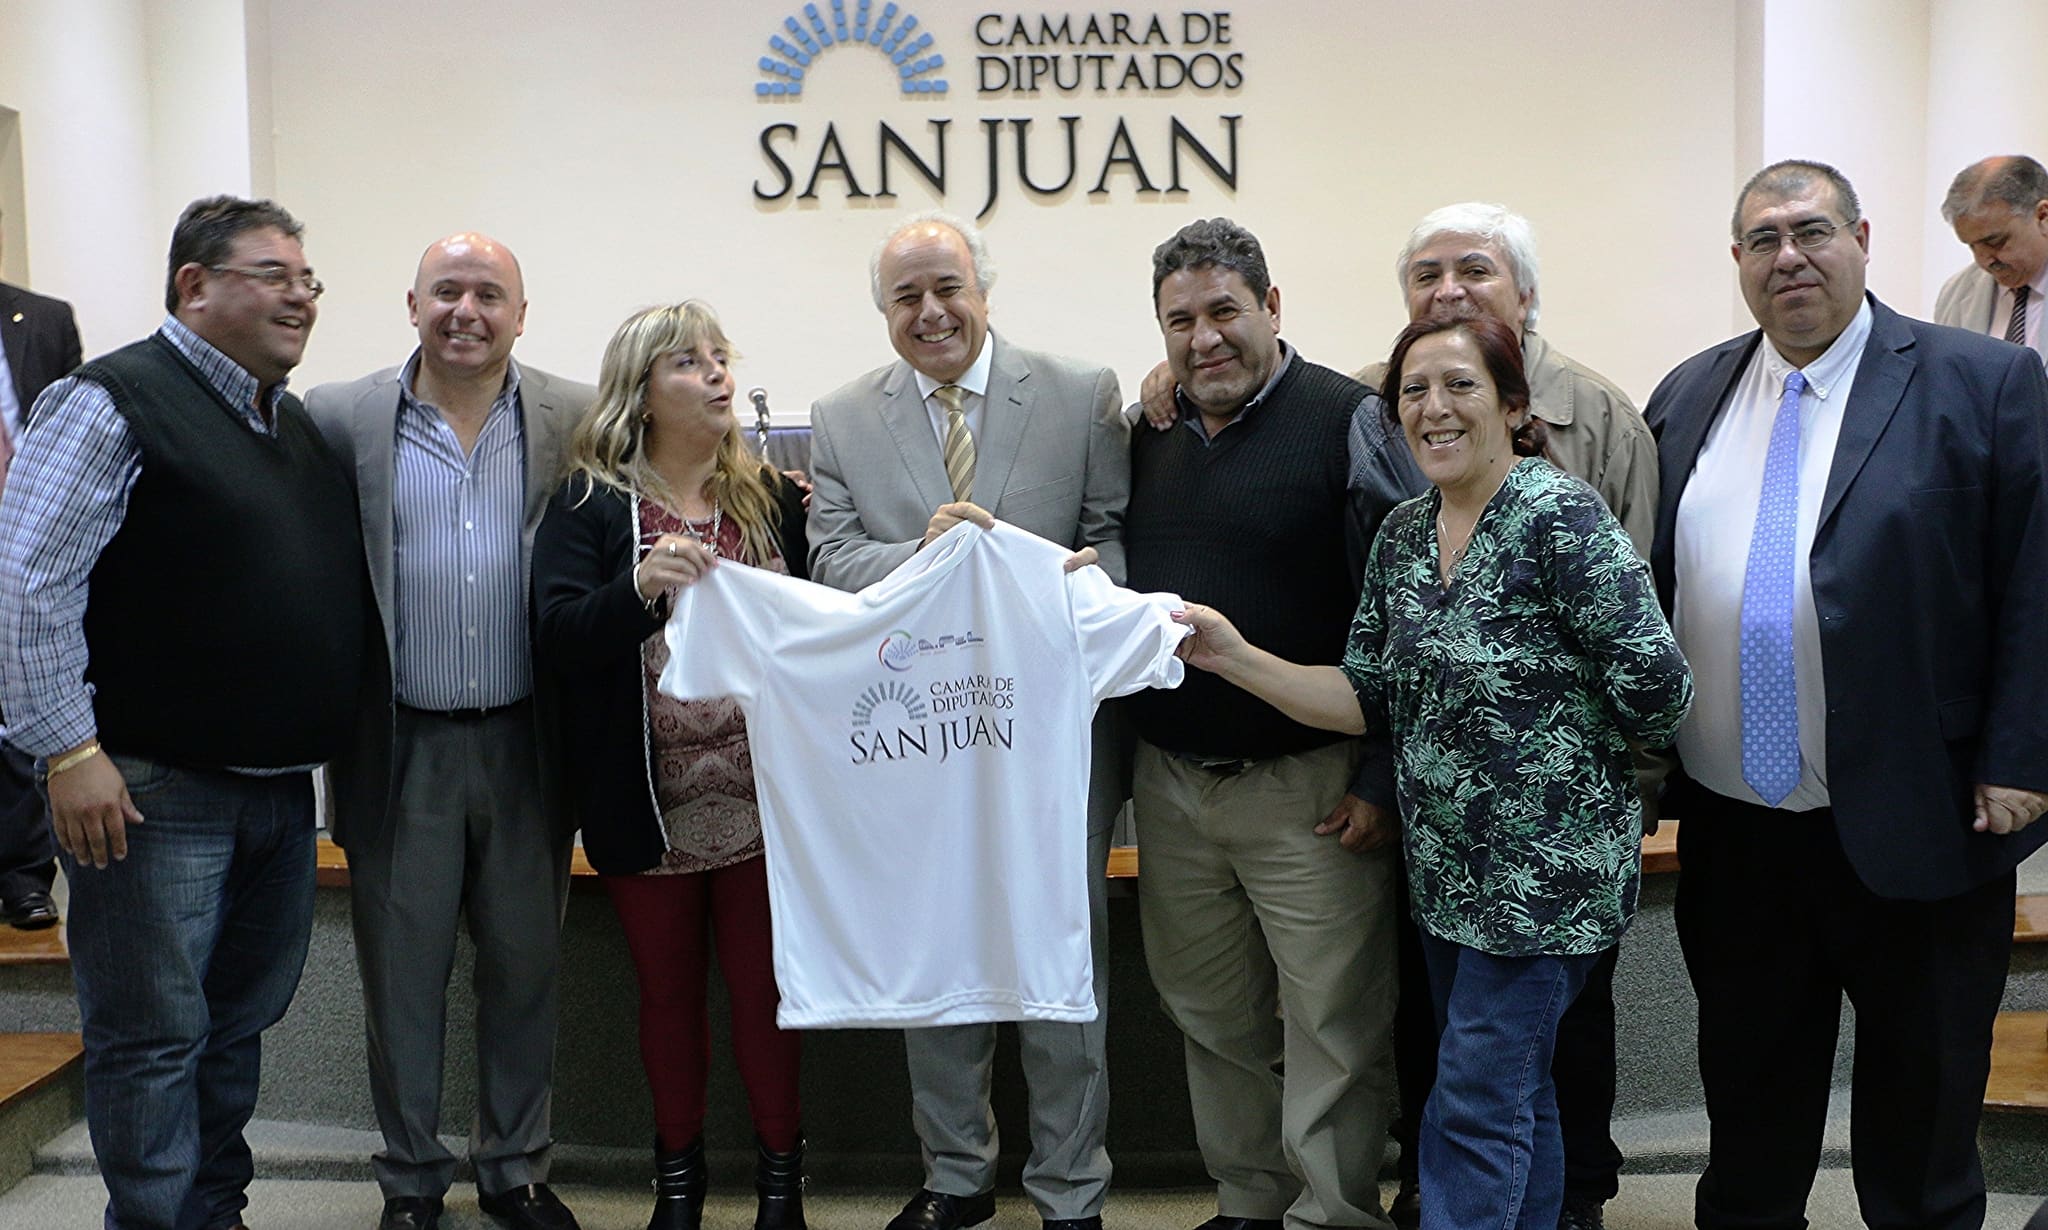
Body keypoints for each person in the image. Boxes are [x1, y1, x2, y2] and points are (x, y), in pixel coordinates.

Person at [1172, 312, 1690, 1230]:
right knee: (1517, 1096)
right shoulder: (1406, 535)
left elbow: (1657, 683)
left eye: (1460, 386)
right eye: (1414, 390)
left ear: (1513, 405)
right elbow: (1364, 693)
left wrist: (1568, 768)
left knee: (1472, 1105)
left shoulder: (1560, 516)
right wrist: (1234, 657)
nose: (1433, 408)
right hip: (1447, 878)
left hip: (1547, 884)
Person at [1646, 159, 2048, 1230]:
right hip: (1736, 837)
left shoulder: (1979, 381)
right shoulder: (1689, 393)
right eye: (1762, 240)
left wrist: (2022, 754)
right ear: (1736, 262)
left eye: (1810, 231)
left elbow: (2035, 580)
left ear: (1860, 238)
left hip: (1919, 817)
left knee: (1919, 1133)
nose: (1789, 258)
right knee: (1748, 1112)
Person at [0, 194, 368, 1230]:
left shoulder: (281, 419)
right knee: (152, 1038)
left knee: (231, 1031)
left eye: (307, 280)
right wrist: (67, 747)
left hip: (274, 796)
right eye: (272, 274)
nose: (299, 296)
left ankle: (212, 1215)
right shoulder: (112, 399)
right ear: (193, 286)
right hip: (152, 795)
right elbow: (27, 580)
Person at [806, 209, 1128, 1230]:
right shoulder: (842, 414)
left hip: (1049, 741)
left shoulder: (1080, 395)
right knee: (937, 955)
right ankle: (955, 1180)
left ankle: (1070, 1189)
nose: (930, 311)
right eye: (906, 296)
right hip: (921, 739)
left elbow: (1111, 546)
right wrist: (927, 556)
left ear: (983, 291)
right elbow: (828, 560)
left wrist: (1046, 583)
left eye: (947, 287)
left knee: (1059, 963)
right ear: (883, 312)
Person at [1122, 217, 1421, 1230]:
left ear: (1271, 307)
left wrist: (1379, 775)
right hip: (1171, 784)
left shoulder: (1351, 420)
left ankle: (1333, 1212)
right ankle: (1248, 1200)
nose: (1203, 339)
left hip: (1311, 785)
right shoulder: (1146, 433)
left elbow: (1404, 615)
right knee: (1208, 1014)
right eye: (1179, 321)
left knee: (1333, 1024)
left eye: (1223, 312)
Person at [304, 233, 592, 1230]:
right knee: (403, 979)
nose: (466, 310)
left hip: (529, 744)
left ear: (523, 312)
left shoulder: (574, 415)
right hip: (399, 746)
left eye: (488, 294)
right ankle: (413, 1182)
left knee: (525, 969)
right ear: (411, 303)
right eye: (447, 292)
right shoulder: (340, 416)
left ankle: (514, 1169)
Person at [532, 301, 808, 1230]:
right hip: (645, 805)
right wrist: (636, 590)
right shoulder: (589, 502)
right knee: (667, 1000)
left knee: (771, 1000)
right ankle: (677, 1195)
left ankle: (781, 1193)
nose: (717, 375)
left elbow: (817, 630)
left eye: (722, 357)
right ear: (643, 392)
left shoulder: (771, 499)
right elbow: (557, 636)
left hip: (766, 805)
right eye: (689, 363)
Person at [0, 217, 82, 932]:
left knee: (21, 710)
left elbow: (69, 426)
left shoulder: (44, 320)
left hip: (22, 536)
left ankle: (26, 877)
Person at [1934, 155, 2048, 366]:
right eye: (1971, 246)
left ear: (2042, 216)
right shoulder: (1956, 293)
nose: (1983, 260)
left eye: (1995, 241)